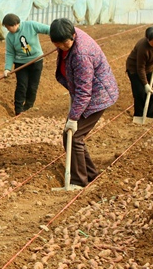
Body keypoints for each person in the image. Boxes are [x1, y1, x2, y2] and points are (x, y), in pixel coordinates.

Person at [49, 18, 119, 188]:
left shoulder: (81, 54)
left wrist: (73, 118)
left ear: (73, 35)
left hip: (97, 96)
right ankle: (90, 174)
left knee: (74, 136)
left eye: (64, 44)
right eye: (57, 44)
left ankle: (79, 181)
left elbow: (84, 93)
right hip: (89, 93)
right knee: (72, 136)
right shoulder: (69, 34)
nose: (61, 48)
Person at [2, 13, 50, 116]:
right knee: (21, 86)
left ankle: (28, 106)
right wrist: (7, 68)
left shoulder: (31, 25)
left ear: (15, 24)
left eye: (8, 27)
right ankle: (18, 110)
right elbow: (10, 53)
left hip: (36, 61)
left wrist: (59, 38)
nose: (8, 29)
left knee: (33, 86)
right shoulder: (10, 37)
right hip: (21, 64)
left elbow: (48, 30)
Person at [125, 26, 153, 121]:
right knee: (140, 93)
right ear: (147, 40)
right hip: (135, 68)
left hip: (149, 67)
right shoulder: (143, 48)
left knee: (151, 93)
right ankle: (138, 116)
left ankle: (149, 116)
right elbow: (140, 68)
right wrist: (145, 84)